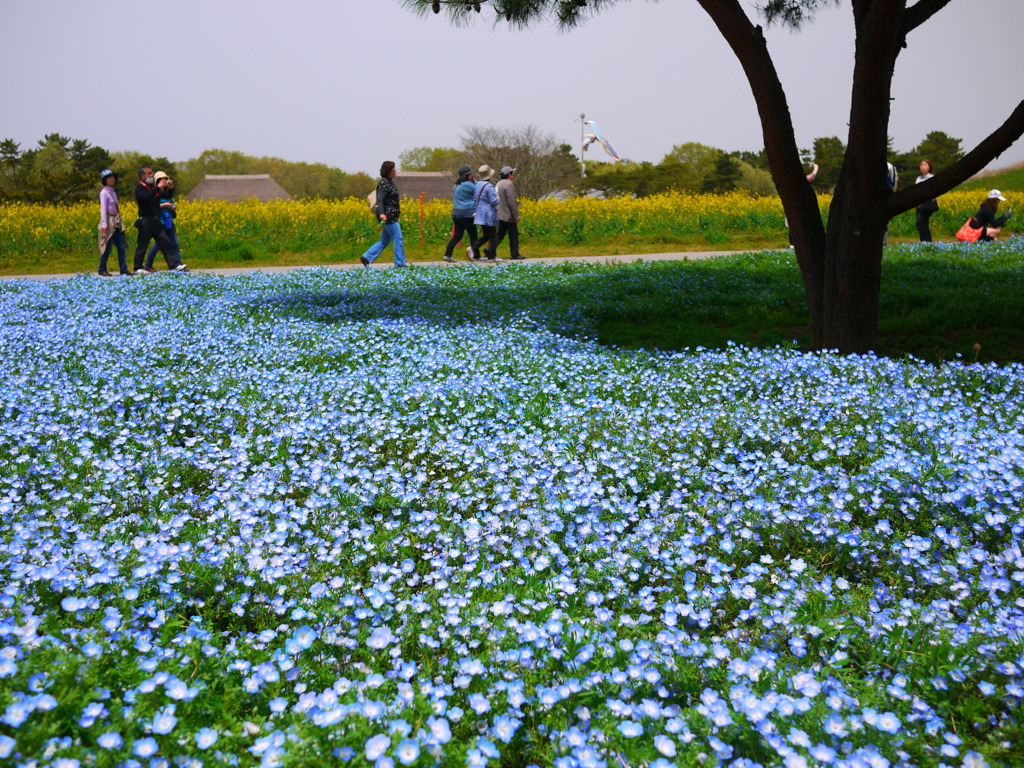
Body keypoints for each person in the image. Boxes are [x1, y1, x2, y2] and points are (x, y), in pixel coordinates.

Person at [133, 166, 187, 273]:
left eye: (152, 173)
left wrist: (170, 189)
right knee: (143, 244)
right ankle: (138, 267)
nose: (151, 175)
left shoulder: (152, 187)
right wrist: (157, 187)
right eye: (149, 173)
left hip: (156, 220)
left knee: (165, 242)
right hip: (146, 220)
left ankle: (174, 265)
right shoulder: (140, 188)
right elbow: (145, 197)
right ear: (142, 176)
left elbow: (165, 195)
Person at [361, 161, 407, 268]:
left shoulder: (389, 182)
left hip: (391, 215)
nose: (395, 171)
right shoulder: (384, 183)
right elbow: (380, 199)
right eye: (393, 169)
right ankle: (400, 263)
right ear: (388, 171)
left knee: (385, 241)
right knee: (398, 238)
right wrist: (382, 214)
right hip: (388, 216)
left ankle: (367, 257)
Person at [485, 166, 524, 262]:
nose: (513, 175)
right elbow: (511, 201)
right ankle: (514, 254)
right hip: (508, 214)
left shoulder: (498, 184)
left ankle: (490, 248)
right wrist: (516, 215)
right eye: (512, 173)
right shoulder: (509, 184)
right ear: (509, 174)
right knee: (513, 234)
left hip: (499, 213)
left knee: (500, 234)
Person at [97, 169, 130, 276]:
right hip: (108, 220)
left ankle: (123, 269)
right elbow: (103, 209)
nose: (113, 179)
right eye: (110, 177)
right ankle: (102, 268)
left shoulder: (113, 192)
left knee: (121, 246)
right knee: (107, 246)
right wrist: (104, 224)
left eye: (113, 177)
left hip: (115, 222)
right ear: (105, 180)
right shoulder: (104, 193)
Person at [443, 165, 478, 262]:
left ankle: (448, 254)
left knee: (458, 235)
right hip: (467, 213)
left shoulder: (456, 185)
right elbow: (479, 189)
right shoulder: (468, 185)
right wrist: (474, 180)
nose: (472, 175)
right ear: (466, 175)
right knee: (473, 235)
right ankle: (475, 255)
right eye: (471, 174)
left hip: (456, 213)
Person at [146, 172, 181, 268]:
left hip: (168, 219)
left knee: (174, 243)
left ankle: (178, 264)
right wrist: (164, 205)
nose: (165, 181)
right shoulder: (154, 192)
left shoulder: (167, 193)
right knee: (158, 245)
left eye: (166, 179)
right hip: (160, 221)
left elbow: (172, 202)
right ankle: (148, 264)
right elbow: (153, 205)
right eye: (163, 180)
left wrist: (173, 206)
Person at [469, 164, 499, 261]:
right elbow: (493, 201)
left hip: (480, 213)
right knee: (494, 237)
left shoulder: (478, 185)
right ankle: (491, 256)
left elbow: (475, 198)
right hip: (488, 213)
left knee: (486, 235)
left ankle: (474, 247)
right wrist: (499, 198)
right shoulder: (489, 186)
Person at [914, 159, 939, 242]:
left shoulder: (932, 177)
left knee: (921, 222)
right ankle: (923, 240)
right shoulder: (918, 178)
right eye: (921, 165)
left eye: (925, 165)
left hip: (928, 203)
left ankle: (927, 241)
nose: (922, 167)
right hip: (920, 203)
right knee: (920, 223)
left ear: (929, 167)